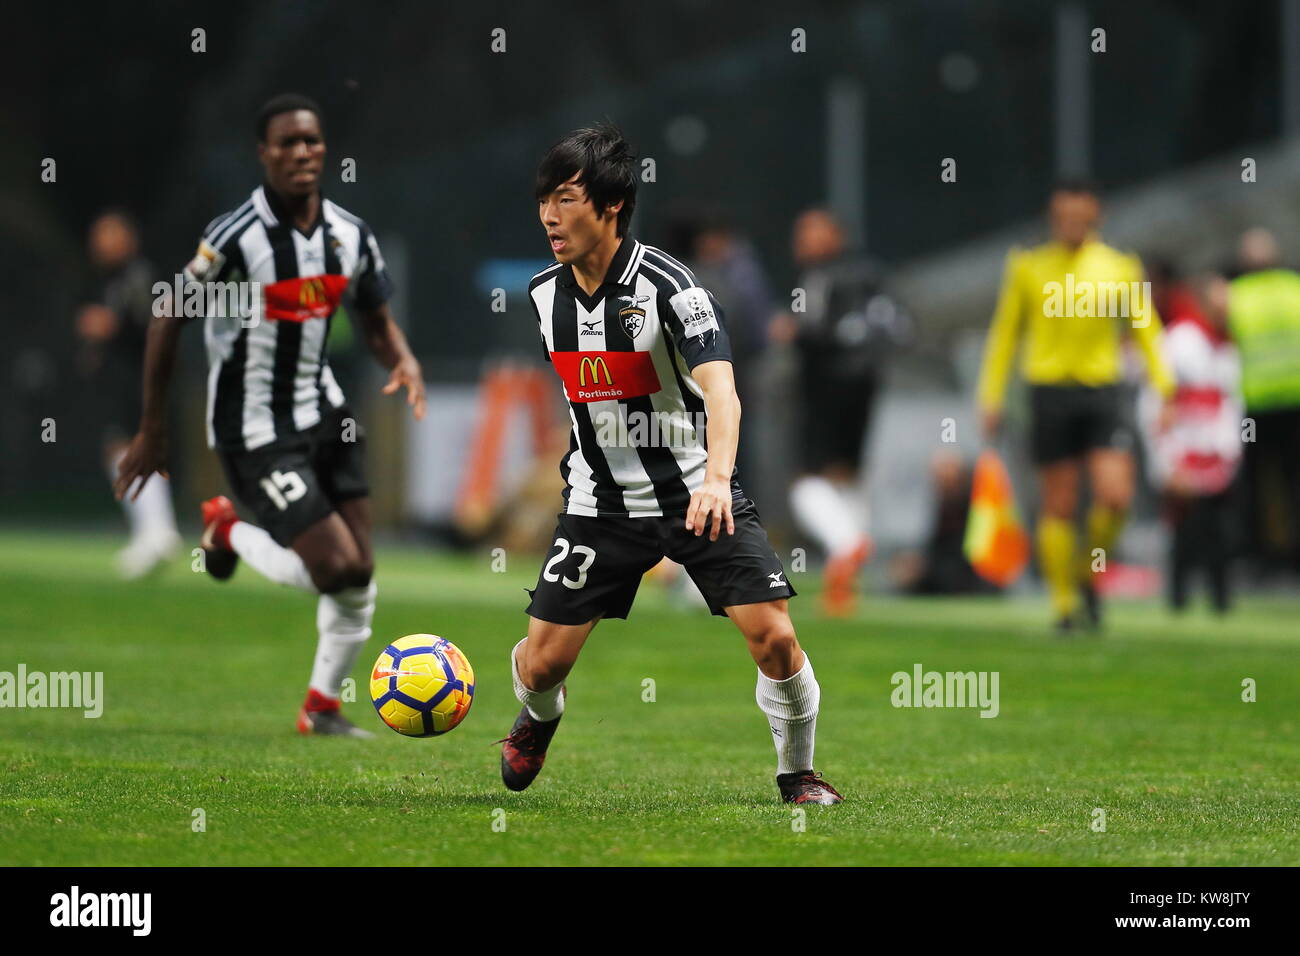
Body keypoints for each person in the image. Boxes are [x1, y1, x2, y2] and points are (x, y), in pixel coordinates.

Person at [503, 124, 842, 805]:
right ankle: (539, 721)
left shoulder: (675, 289)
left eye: (567, 198)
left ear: (611, 207)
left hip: (696, 493)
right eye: (545, 198)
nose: (549, 214)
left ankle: (797, 774)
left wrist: (717, 480)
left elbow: (723, 391)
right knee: (542, 665)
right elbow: (580, 396)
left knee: (774, 635)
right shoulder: (543, 297)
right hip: (600, 505)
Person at [114, 93, 426, 736]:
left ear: (324, 149)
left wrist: (403, 359)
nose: (302, 152)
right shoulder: (236, 237)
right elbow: (168, 313)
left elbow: (374, 319)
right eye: (286, 143)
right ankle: (226, 531)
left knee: (361, 573)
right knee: (334, 568)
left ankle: (321, 708)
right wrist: (153, 427)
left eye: (311, 140)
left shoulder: (349, 235)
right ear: (265, 155)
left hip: (326, 415)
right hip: (254, 430)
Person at [976, 179, 1174, 633]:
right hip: (1049, 392)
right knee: (1059, 503)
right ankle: (1064, 604)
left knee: (1115, 495)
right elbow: (1006, 333)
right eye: (1063, 216)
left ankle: (1088, 570)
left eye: (1080, 216)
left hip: (1103, 390)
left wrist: (1167, 387)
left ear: (1095, 217)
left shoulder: (1119, 267)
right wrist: (991, 395)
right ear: (1053, 218)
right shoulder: (1028, 266)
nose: (1071, 224)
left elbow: (1145, 327)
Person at [772, 208, 911, 615]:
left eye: (810, 233)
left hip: (825, 389)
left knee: (805, 481)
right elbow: (899, 326)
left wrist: (791, 331)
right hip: (866, 386)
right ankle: (845, 580)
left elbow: (812, 327)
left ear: (835, 236)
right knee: (847, 475)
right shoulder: (873, 274)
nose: (801, 242)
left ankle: (847, 544)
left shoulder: (821, 276)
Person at [76, 211, 181, 578]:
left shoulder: (140, 276)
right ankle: (150, 532)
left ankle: (158, 531)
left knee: (130, 446)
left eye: (110, 235)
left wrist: (114, 328)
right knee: (120, 448)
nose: (101, 244)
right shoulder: (108, 280)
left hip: (138, 377)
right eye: (98, 237)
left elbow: (159, 321)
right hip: (120, 377)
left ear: (128, 239)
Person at [1139, 272, 1241, 612]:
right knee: (1184, 530)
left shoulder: (1227, 346)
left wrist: (1231, 452)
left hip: (1214, 457)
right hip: (1183, 455)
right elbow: (1155, 402)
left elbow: (1231, 403)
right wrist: (1165, 460)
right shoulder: (1180, 342)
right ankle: (1178, 601)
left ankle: (1221, 601)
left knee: (1219, 531)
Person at [1225, 228, 1300, 577]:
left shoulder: (1234, 296)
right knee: (1293, 480)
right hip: (1294, 401)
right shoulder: (1294, 288)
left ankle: (1262, 557)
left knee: (1255, 484)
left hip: (1254, 407)